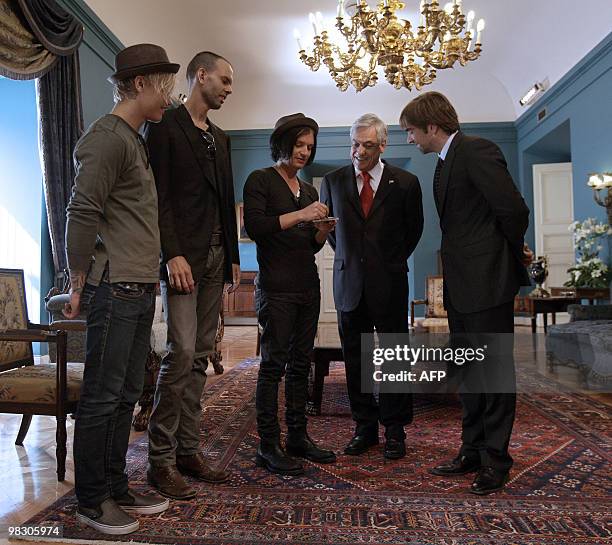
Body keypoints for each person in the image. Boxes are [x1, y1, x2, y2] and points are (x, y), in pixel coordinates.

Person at [64, 44, 178, 535]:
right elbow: (81, 211)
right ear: (138, 84)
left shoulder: (135, 139)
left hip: (139, 283)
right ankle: (91, 500)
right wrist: (76, 280)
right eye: (163, 88)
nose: (168, 100)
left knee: (128, 392)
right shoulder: (106, 138)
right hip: (114, 286)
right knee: (102, 395)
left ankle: (114, 487)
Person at [399, 91, 531, 495]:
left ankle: (496, 459)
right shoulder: (444, 161)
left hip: (487, 282)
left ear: (432, 127)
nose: (410, 140)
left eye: (411, 131)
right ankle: (471, 449)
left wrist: (505, 255)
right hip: (460, 283)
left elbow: (513, 210)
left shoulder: (476, 150)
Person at [145, 51, 240, 499]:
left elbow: (226, 200)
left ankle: (188, 450)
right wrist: (172, 253)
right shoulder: (164, 127)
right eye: (223, 79)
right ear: (200, 76)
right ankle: (159, 461)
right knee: (180, 354)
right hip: (183, 259)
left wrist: (234, 258)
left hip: (218, 259)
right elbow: (158, 197)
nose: (228, 88)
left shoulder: (221, 139)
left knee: (201, 353)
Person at [319, 113, 424, 460]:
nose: (358, 151)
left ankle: (395, 430)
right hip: (349, 282)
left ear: (382, 145)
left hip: (390, 282)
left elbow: (413, 231)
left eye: (366, 144)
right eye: (354, 143)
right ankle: (364, 427)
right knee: (356, 358)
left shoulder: (406, 182)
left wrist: (386, 261)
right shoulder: (332, 182)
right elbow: (332, 232)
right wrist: (357, 260)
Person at [243, 113, 337, 475]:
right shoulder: (261, 180)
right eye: (299, 144)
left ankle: (298, 436)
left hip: (307, 287)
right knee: (273, 367)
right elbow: (257, 228)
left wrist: (320, 230)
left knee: (303, 364)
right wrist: (301, 215)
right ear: (282, 143)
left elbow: (310, 247)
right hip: (276, 289)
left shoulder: (309, 190)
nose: (304, 152)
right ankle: (268, 446)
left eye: (310, 147)